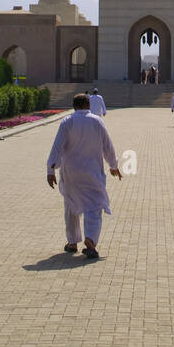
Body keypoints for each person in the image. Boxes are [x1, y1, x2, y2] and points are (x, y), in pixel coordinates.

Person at [47, 93, 121, 258]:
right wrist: (114, 165)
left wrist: (50, 170)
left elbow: (57, 147)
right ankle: (90, 239)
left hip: (71, 172)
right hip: (92, 171)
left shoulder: (67, 121)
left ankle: (72, 242)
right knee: (94, 206)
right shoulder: (97, 121)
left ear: (74, 106)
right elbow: (107, 146)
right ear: (89, 105)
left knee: (71, 205)